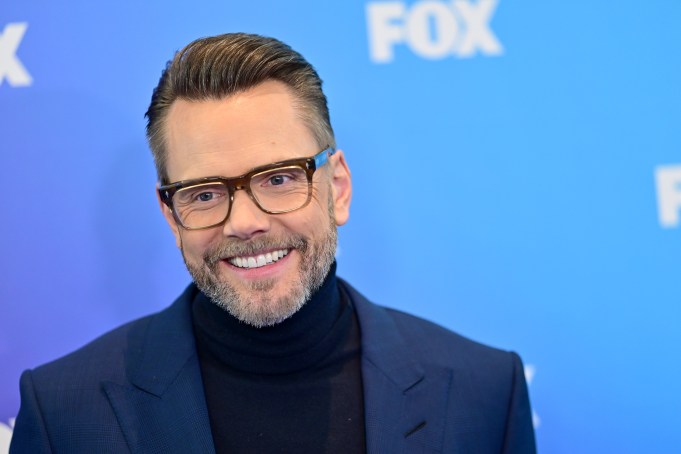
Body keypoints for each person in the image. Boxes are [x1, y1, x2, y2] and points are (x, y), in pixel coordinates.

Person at [10, 33, 536, 453]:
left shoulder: (481, 390)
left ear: (340, 189)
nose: (244, 223)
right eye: (205, 192)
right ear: (172, 217)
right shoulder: (65, 413)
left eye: (279, 179)